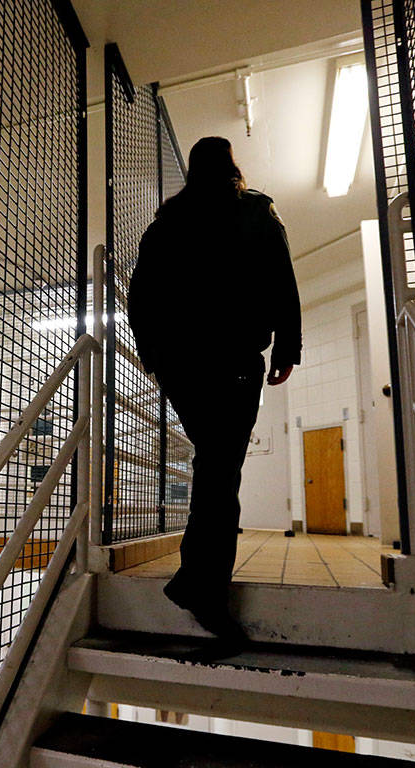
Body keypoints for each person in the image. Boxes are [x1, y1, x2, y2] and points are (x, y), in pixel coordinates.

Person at [127, 136, 301, 644]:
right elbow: (281, 282)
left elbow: (141, 299)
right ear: (232, 167)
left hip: (183, 366)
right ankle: (204, 590)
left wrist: (155, 359)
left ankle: (197, 581)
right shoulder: (256, 213)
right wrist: (286, 348)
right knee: (222, 467)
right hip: (235, 360)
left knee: (214, 461)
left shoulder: (163, 227)